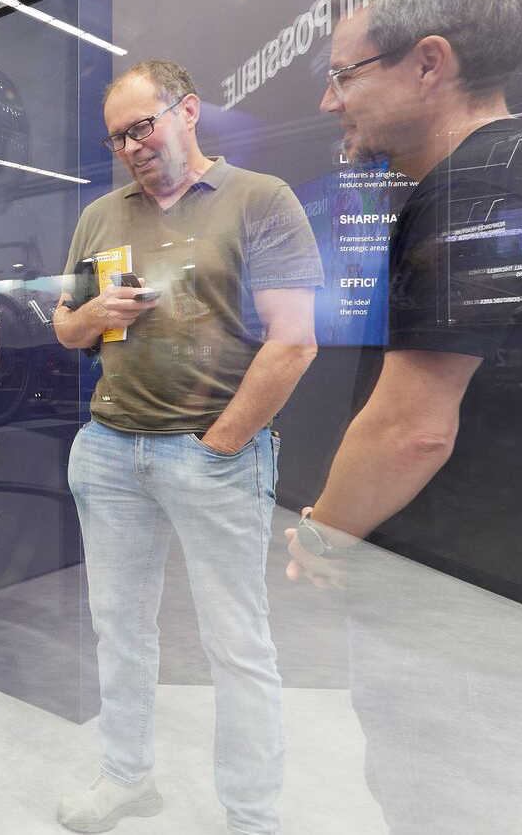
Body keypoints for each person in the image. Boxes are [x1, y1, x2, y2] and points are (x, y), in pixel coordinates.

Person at [284, 0, 522, 835]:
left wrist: (323, 534)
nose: (330, 100)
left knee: (437, 804)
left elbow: (412, 427)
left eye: (345, 75)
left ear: (429, 62)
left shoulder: (462, 190)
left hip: (451, 599)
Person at [51, 60, 321, 835]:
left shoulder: (258, 198)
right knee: (120, 630)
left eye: (143, 125)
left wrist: (218, 445)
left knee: (235, 646)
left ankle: (250, 817)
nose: (132, 145)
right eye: (117, 137)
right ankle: (127, 778)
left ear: (189, 110)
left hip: (212, 458)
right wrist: (93, 311)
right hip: (108, 452)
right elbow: (66, 328)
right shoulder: (101, 216)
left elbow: (293, 341)